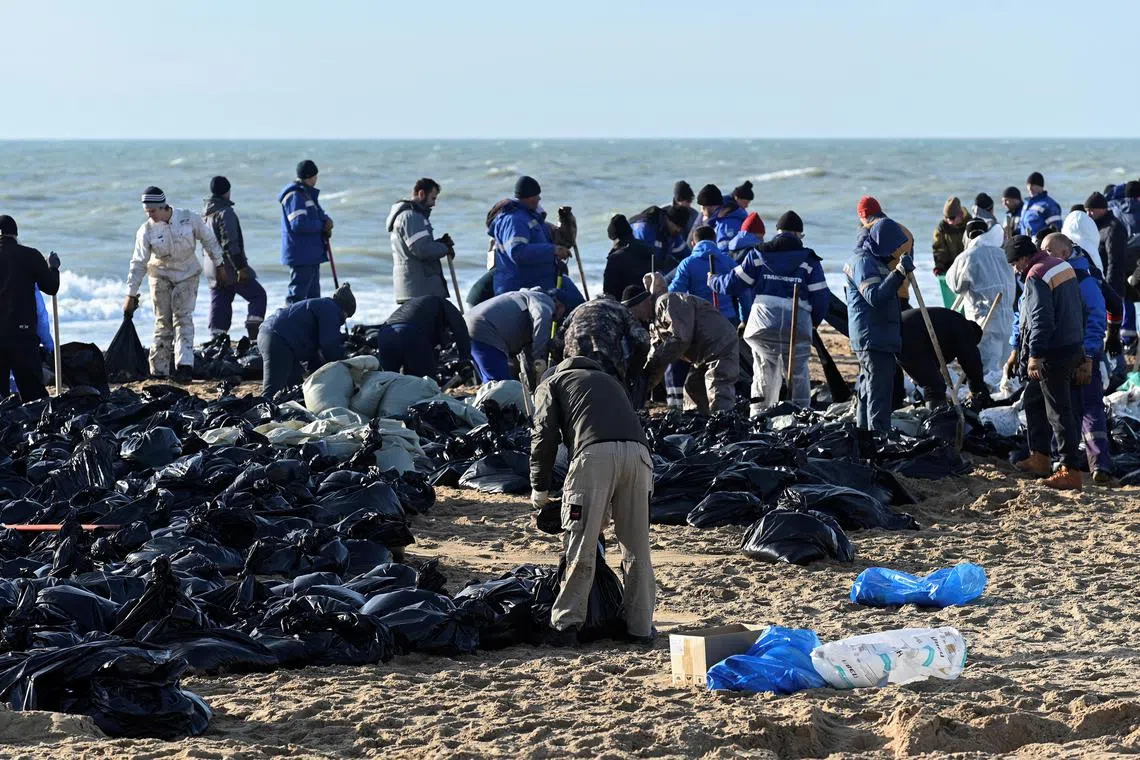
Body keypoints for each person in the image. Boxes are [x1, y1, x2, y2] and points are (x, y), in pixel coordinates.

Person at [529, 356, 654, 648]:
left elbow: (543, 434)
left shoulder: (552, 383)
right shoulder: (609, 381)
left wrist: (540, 487)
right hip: (640, 457)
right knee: (637, 547)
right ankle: (640, 628)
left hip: (593, 458)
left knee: (580, 542)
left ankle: (565, 626)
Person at [711, 210, 830, 414]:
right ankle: (801, 416)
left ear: (777, 232)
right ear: (799, 234)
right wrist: (812, 324)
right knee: (799, 372)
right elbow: (821, 297)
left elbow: (733, 284)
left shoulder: (758, 254)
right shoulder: (809, 260)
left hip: (763, 324)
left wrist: (712, 280)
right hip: (797, 324)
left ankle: (759, 417)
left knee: (763, 372)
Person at [1003, 235, 1084, 491]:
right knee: (1033, 400)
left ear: (1025, 257)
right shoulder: (1061, 265)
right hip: (1071, 345)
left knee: (1059, 412)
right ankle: (1039, 457)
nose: (1015, 268)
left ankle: (1070, 470)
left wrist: (1035, 355)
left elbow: (1040, 319)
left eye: (1015, 262)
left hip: (1053, 352)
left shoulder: (1036, 275)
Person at [124, 186, 226, 382]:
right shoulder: (146, 231)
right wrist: (131, 294)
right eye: (147, 212)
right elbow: (138, 263)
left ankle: (184, 366)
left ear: (163, 206)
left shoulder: (189, 218)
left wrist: (219, 264)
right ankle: (159, 370)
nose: (150, 216)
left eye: (153, 211)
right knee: (163, 322)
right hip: (159, 276)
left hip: (187, 275)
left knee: (183, 318)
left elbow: (209, 239)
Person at [1041, 233, 1114, 485]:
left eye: (1048, 251)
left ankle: (1099, 465)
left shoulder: (1083, 279)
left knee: (1089, 407)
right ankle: (1065, 463)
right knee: (1065, 409)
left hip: (1082, 355)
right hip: (1064, 353)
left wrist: (1090, 356)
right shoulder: (1058, 275)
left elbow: (1097, 317)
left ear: (1063, 253)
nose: (1044, 255)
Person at [625, 278, 739, 414]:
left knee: (718, 387)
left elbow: (680, 339)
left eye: (634, 311)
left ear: (644, 302)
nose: (635, 318)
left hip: (719, 345)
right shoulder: (654, 323)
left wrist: (656, 362)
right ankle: (699, 426)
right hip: (703, 354)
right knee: (693, 387)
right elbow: (655, 354)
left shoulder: (667, 302)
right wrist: (644, 384)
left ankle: (725, 425)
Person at [844, 217, 912, 432]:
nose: (895, 251)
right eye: (893, 245)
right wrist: (899, 273)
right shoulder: (863, 262)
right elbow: (874, 296)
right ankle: (878, 437)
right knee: (879, 390)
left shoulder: (875, 260)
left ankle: (865, 436)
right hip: (872, 335)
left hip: (876, 333)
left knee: (868, 387)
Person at [486, 176, 582, 308]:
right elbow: (517, 252)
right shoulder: (514, 220)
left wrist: (566, 222)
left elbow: (557, 238)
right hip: (523, 288)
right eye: (537, 195)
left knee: (579, 304)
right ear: (529, 197)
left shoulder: (531, 218)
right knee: (574, 306)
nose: (539, 199)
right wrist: (552, 251)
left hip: (546, 280)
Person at [945, 218, 1016, 386]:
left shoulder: (968, 256)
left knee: (988, 371)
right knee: (1006, 371)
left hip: (984, 320)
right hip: (1008, 319)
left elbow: (954, 285)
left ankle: (990, 407)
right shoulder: (1002, 253)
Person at [257, 284, 356, 398]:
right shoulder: (331, 309)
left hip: (274, 336)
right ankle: (259, 413)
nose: (343, 320)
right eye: (346, 316)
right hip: (278, 340)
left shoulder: (321, 306)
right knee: (271, 391)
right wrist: (343, 364)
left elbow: (314, 354)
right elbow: (329, 345)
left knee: (296, 389)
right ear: (344, 310)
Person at [0, 216, 60, 401]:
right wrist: (54, 267)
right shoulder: (30, 255)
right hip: (22, 334)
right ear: (16, 235)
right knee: (33, 397)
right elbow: (51, 288)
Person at [549, 294, 650, 403]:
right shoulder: (619, 308)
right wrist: (633, 370)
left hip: (574, 361)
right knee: (616, 400)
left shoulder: (577, 310)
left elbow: (555, 345)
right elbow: (643, 341)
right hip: (604, 359)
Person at [203, 176, 267, 342]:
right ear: (227, 192)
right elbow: (230, 244)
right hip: (228, 268)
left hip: (212, 269)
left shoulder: (207, 214)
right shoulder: (225, 212)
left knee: (221, 300)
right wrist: (241, 268)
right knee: (258, 296)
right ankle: (254, 334)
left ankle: (217, 340)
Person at [465, 287, 563, 383]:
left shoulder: (521, 297)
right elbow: (542, 318)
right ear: (559, 304)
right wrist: (540, 359)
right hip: (484, 328)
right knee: (500, 384)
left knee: (489, 381)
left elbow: (527, 350)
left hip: (467, 324)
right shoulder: (544, 300)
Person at [898, 307, 990, 408]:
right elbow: (972, 363)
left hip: (892, 329)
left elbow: (933, 361)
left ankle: (891, 414)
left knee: (891, 383)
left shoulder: (950, 323)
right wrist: (976, 390)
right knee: (934, 386)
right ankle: (936, 421)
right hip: (909, 335)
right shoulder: (964, 330)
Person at [387, 178, 455, 304]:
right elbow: (422, 249)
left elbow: (418, 246)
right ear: (421, 194)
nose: (434, 204)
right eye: (433, 198)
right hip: (420, 291)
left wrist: (439, 244)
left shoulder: (408, 216)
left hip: (415, 290)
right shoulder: (412, 217)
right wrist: (444, 247)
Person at [374, 295, 471, 379]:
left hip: (385, 334)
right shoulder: (446, 305)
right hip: (410, 333)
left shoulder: (423, 307)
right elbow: (461, 329)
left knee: (389, 382)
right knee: (424, 383)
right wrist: (465, 359)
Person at [279, 160, 333, 304]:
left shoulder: (306, 194)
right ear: (311, 176)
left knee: (313, 298)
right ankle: (287, 325)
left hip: (311, 254)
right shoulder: (295, 195)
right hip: (302, 254)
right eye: (315, 176)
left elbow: (316, 214)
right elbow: (298, 224)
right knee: (297, 296)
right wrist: (322, 226)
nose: (316, 179)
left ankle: (311, 326)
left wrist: (326, 220)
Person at [669, 226, 740, 323]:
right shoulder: (728, 261)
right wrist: (744, 319)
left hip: (699, 318)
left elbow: (675, 292)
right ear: (715, 242)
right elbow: (742, 291)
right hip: (728, 317)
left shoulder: (687, 263)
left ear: (693, 244)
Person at [855, 196, 914, 308]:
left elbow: (859, 262)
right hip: (903, 293)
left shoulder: (868, 229)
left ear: (863, 215)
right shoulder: (906, 231)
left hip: (882, 294)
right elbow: (910, 264)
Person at [602, 215, 668, 299]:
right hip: (649, 302)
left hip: (626, 307)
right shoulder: (649, 250)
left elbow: (609, 293)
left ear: (614, 237)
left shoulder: (614, 259)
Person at [1114, 181, 1140, 355]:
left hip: (1123, 258)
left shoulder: (1117, 209)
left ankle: (1127, 338)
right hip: (1138, 260)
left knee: (1127, 298)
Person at [932, 196, 972, 306]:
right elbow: (938, 248)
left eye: (952, 218)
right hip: (951, 266)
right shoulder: (942, 228)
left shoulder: (970, 223)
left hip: (968, 266)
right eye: (947, 218)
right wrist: (939, 266)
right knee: (953, 302)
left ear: (960, 214)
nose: (949, 221)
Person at [696, 183, 748, 251]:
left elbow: (725, 252)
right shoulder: (721, 219)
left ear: (710, 206)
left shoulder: (726, 223)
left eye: (702, 207)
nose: (702, 211)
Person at [1018, 172, 1063, 238]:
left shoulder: (1049, 205)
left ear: (1041, 186)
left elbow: (1056, 229)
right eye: (1028, 185)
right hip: (1025, 242)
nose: (1030, 188)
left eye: (1033, 185)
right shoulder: (1026, 204)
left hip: (1039, 244)